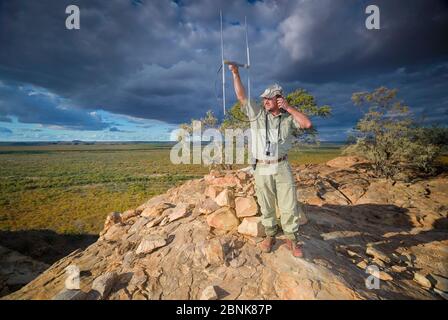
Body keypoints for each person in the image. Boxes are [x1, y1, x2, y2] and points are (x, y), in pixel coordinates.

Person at [229, 64, 312, 258]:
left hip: (281, 164)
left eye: (269, 98)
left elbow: (307, 124)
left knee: (288, 203)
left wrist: (289, 108)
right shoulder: (257, 115)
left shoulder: (288, 119)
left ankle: (292, 238)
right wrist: (235, 73)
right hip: (262, 166)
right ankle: (270, 235)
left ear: (279, 99)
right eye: (264, 98)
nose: (265, 101)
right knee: (266, 202)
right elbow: (242, 96)